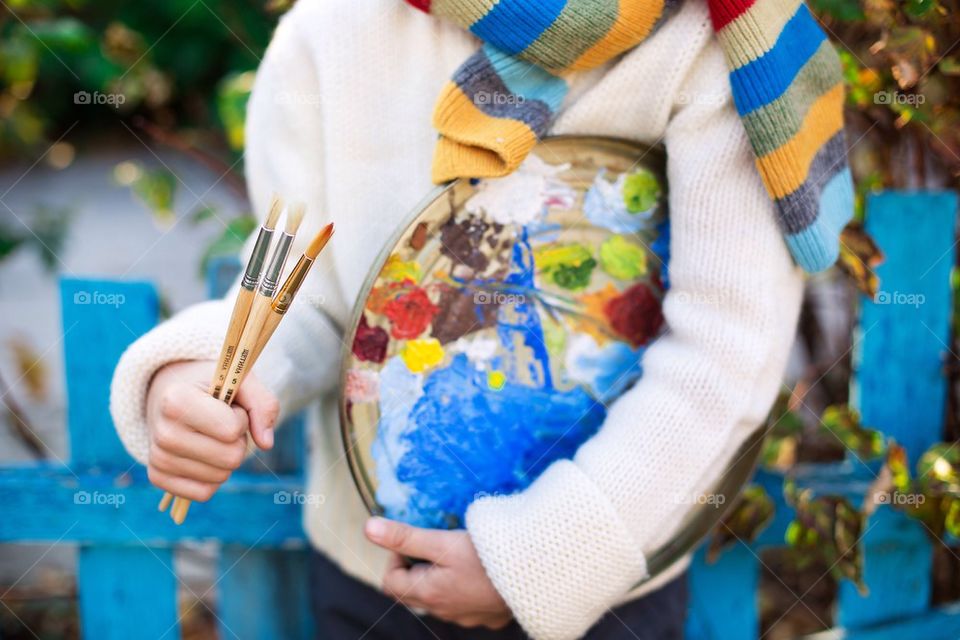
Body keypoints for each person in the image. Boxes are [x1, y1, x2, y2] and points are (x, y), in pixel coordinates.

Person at [111, 0, 842, 637]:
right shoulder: (334, 27)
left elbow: (724, 355)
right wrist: (210, 375)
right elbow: (309, 291)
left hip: (603, 590)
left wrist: (543, 559)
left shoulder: (720, 44)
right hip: (374, 577)